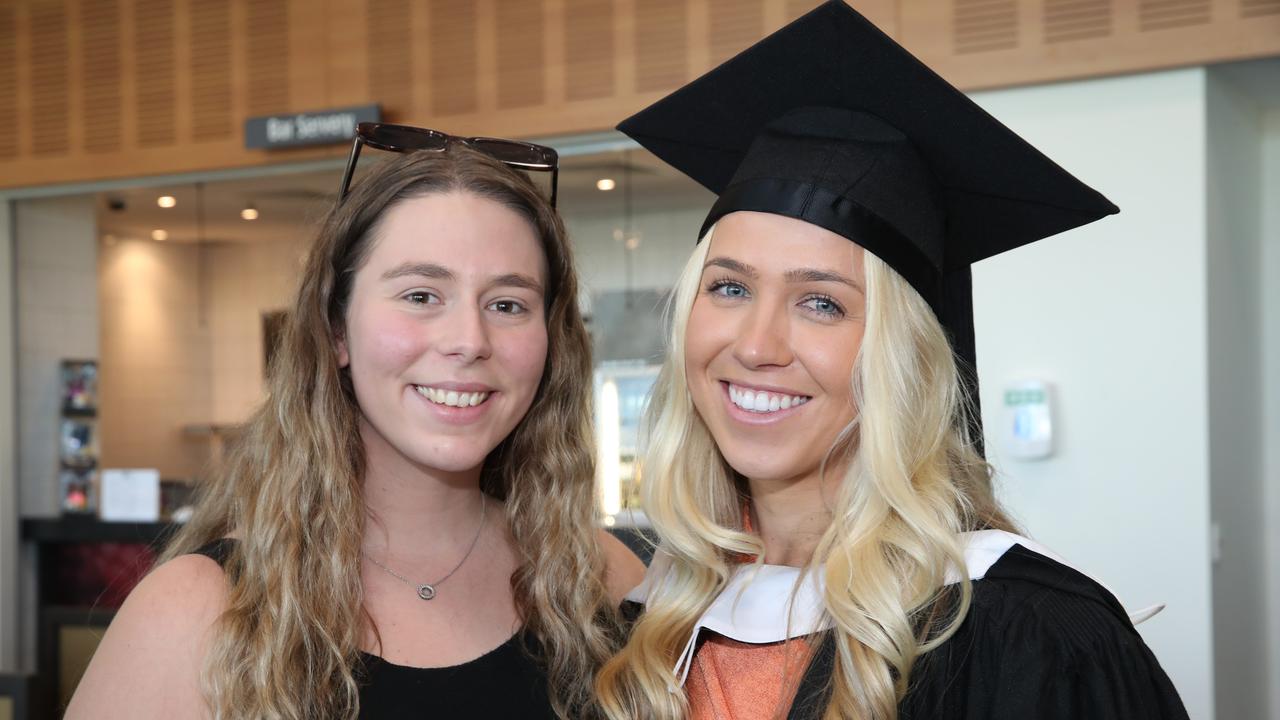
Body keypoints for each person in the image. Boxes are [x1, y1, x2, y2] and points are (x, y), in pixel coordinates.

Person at [595, 3, 1189, 719]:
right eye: (729, 287)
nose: (754, 346)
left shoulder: (1023, 633)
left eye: (821, 303)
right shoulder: (654, 618)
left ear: (902, 358)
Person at [67, 125, 644, 720]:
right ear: (337, 329)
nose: (470, 341)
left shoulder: (600, 581)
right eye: (421, 295)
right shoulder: (200, 610)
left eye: (507, 305)